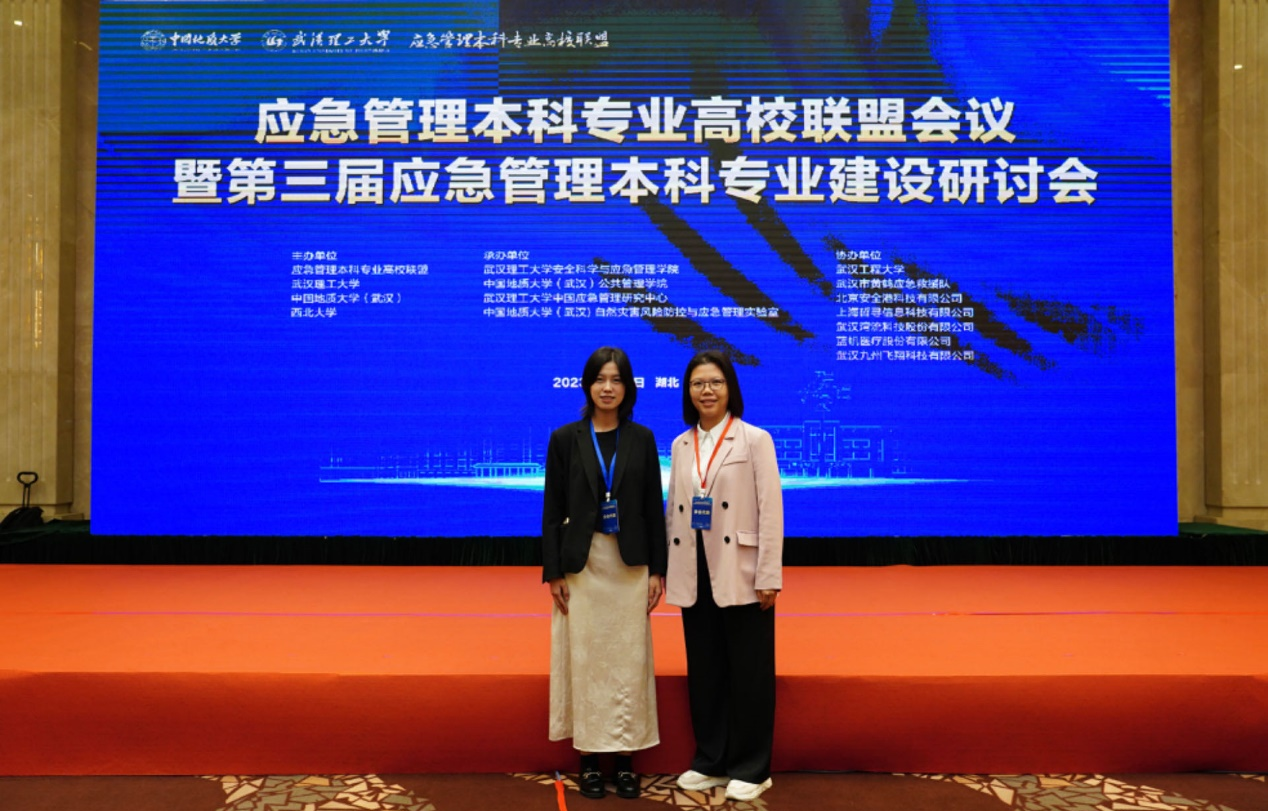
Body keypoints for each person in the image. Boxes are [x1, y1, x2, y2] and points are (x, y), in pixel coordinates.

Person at [542, 346, 667, 800]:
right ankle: (590, 761)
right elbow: (552, 509)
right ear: (587, 385)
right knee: (586, 662)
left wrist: (657, 570)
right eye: (600, 379)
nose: (607, 388)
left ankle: (627, 761)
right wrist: (554, 572)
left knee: (629, 663)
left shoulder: (642, 438)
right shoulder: (564, 438)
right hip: (582, 564)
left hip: (629, 567)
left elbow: (653, 508)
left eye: (616, 380)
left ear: (628, 387)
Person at [664, 349, 784, 803]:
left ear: (730, 388)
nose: (707, 391)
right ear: (688, 392)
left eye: (715, 382)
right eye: (698, 384)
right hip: (693, 567)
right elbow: (673, 513)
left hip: (742, 569)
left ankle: (753, 767)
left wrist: (768, 573)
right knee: (706, 670)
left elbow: (771, 509)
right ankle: (710, 760)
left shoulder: (755, 439)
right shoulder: (680, 445)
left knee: (750, 672)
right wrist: (667, 570)